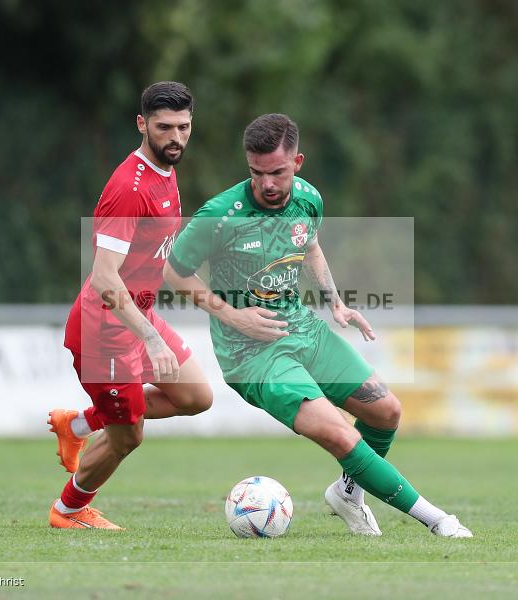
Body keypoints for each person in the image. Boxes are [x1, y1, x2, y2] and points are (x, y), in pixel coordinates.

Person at [163, 113, 472, 537]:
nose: (267, 183)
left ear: (298, 162)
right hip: (251, 356)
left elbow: (308, 245)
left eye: (277, 172)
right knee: (341, 437)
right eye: (257, 173)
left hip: (303, 329)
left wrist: (336, 304)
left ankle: (348, 494)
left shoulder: (309, 199)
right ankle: (438, 522)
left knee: (385, 411)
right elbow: (174, 274)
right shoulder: (219, 215)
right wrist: (232, 315)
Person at [47, 81, 213, 529]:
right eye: (164, 128)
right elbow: (104, 277)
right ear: (142, 125)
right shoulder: (129, 187)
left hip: (137, 315)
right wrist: (151, 337)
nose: (175, 137)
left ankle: (79, 425)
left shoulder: (167, 169)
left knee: (197, 396)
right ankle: (68, 511)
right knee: (127, 436)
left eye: (184, 127)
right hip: (105, 332)